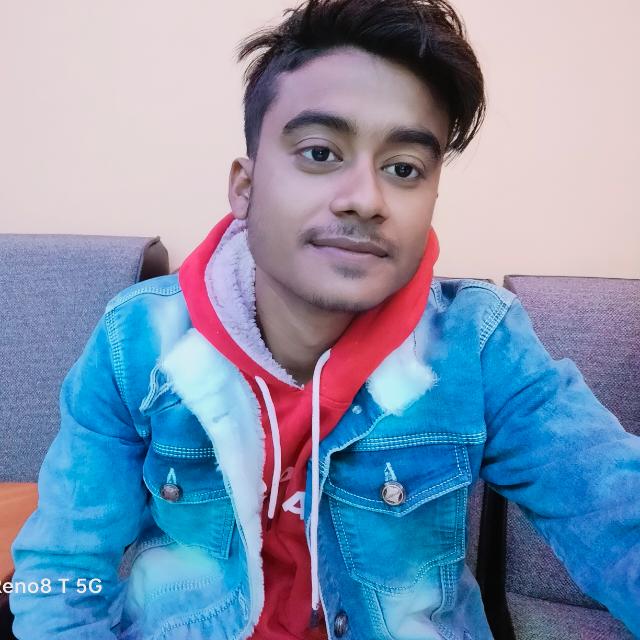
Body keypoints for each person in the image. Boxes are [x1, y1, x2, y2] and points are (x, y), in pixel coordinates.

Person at [9, 0, 640, 638]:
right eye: (319, 152)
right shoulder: (137, 343)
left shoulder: (478, 344)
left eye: (404, 169)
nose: (365, 199)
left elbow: (614, 510)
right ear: (244, 187)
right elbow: (62, 568)